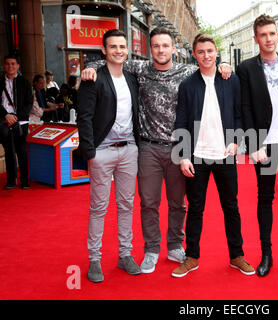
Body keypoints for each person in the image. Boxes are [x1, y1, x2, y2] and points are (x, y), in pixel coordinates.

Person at [81, 27, 232, 274]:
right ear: (150, 49)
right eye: (156, 46)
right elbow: (111, 59)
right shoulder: (139, 70)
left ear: (174, 48)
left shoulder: (188, 71)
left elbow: (209, 62)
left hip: (178, 149)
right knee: (148, 203)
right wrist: (90, 68)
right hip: (148, 148)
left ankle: (174, 246)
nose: (161, 50)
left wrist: (225, 64)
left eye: (165, 46)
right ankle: (151, 249)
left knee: (177, 203)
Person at [171, 33, 254, 278]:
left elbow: (239, 113)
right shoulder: (187, 85)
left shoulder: (230, 79)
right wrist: (183, 155)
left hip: (225, 154)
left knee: (231, 206)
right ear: (194, 55)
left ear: (216, 52)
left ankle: (237, 256)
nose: (206, 56)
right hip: (197, 156)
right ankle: (192, 257)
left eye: (210, 51)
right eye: (201, 52)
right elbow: (182, 120)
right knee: (195, 208)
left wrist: (237, 141)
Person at [236, 14, 278, 277]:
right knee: (265, 199)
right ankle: (266, 253)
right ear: (256, 38)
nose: (268, 38)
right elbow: (244, 108)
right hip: (265, 147)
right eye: (263, 34)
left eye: (272, 33)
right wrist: (254, 144)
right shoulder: (247, 68)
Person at [77, 29, 142, 283]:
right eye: (113, 46)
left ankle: (125, 255)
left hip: (129, 150)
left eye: (122, 46)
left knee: (126, 205)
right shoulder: (93, 78)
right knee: (99, 208)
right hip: (102, 152)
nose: (118, 51)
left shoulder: (132, 78)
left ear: (127, 50)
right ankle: (95, 259)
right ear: (103, 50)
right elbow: (84, 116)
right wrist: (90, 152)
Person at [0, 53, 33, 189]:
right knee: (8, 151)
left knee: (22, 151)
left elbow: (28, 102)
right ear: (4, 66)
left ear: (18, 66)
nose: (10, 66)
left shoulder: (24, 82)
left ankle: (24, 180)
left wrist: (17, 117)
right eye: (7, 64)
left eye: (13, 64)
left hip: (21, 121)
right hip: (4, 121)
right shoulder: (0, 82)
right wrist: (6, 115)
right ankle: (11, 180)